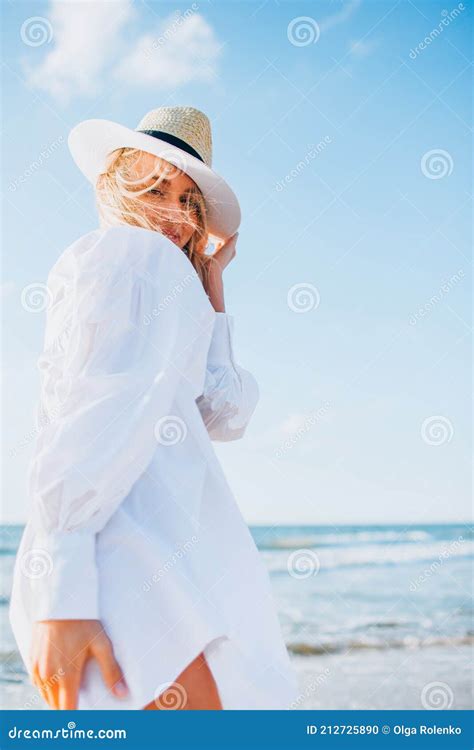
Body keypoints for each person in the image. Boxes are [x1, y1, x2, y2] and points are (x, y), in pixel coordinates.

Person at [9, 106, 298, 710]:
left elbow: (223, 414)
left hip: (132, 559)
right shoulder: (132, 256)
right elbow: (93, 409)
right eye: (157, 186)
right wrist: (65, 590)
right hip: (119, 559)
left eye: (190, 201)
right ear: (118, 184)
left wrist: (213, 287)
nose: (175, 213)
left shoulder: (162, 280)